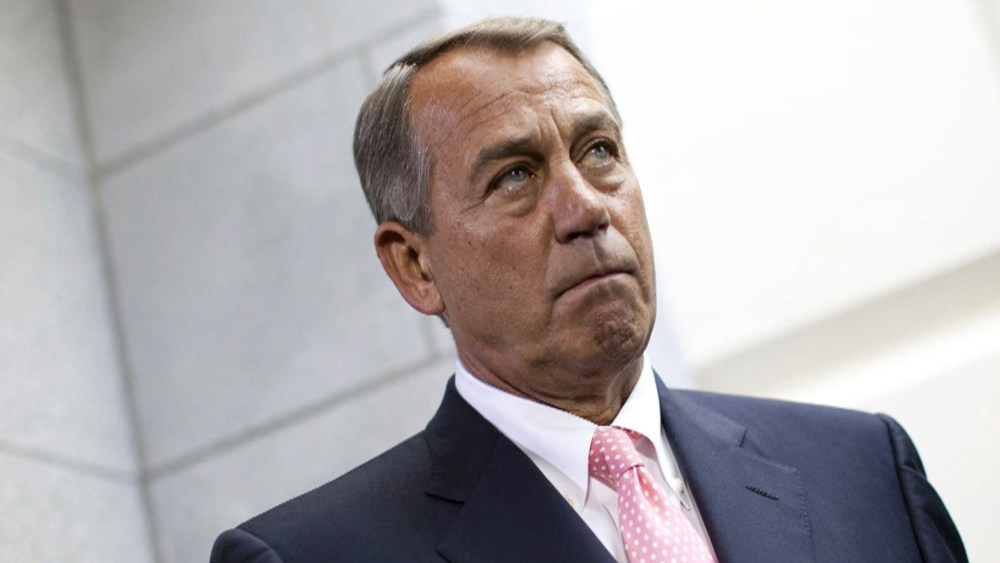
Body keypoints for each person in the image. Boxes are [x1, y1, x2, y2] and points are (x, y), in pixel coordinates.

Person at [210, 16, 966, 563]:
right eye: (515, 175)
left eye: (598, 151)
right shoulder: (308, 554)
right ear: (415, 265)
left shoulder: (864, 467)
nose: (585, 209)